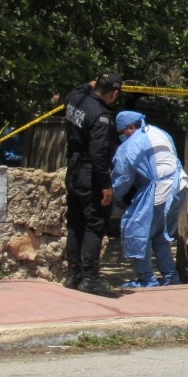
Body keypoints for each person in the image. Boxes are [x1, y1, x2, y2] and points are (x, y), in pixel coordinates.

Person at [111, 110, 188, 288]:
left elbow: (122, 177)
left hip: (160, 190)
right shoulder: (158, 132)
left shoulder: (132, 144)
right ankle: (171, 278)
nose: (122, 137)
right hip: (179, 186)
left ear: (131, 127)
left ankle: (147, 279)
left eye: (122, 132)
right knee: (160, 236)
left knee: (137, 231)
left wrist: (112, 199)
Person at [63, 73, 122, 296]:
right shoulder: (101, 117)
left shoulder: (76, 100)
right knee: (94, 225)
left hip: (73, 171)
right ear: (114, 93)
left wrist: (90, 83)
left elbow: (77, 89)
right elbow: (99, 155)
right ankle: (90, 279)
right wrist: (105, 186)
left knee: (75, 224)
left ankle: (73, 275)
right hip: (90, 174)